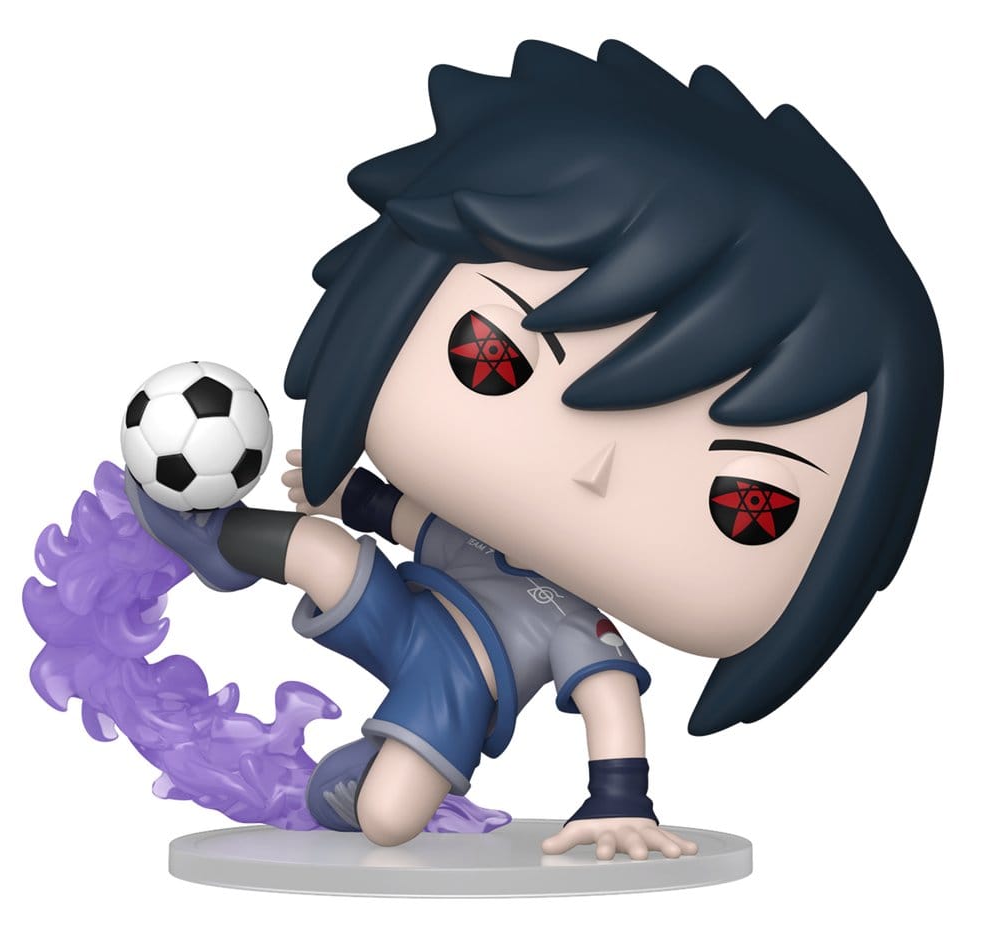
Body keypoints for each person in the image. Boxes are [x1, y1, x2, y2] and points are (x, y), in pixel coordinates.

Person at [126, 39, 942, 860]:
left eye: (745, 502)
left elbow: (611, 701)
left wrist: (619, 798)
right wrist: (352, 498)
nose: (594, 470)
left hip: (459, 689)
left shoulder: (578, 622)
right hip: (406, 607)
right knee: (323, 552)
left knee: (387, 819)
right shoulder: (480, 540)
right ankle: (220, 540)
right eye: (492, 356)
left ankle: (371, 775)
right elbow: (412, 524)